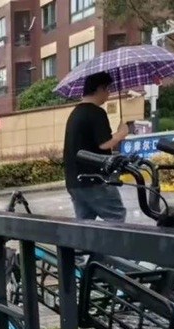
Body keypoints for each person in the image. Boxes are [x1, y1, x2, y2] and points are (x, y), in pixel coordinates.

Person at [63, 71, 129, 221]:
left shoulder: (76, 113)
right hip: (95, 180)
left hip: (74, 182)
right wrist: (121, 133)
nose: (108, 94)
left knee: (85, 226)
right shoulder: (96, 112)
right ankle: (113, 246)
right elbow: (104, 144)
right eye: (108, 89)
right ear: (100, 89)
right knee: (116, 219)